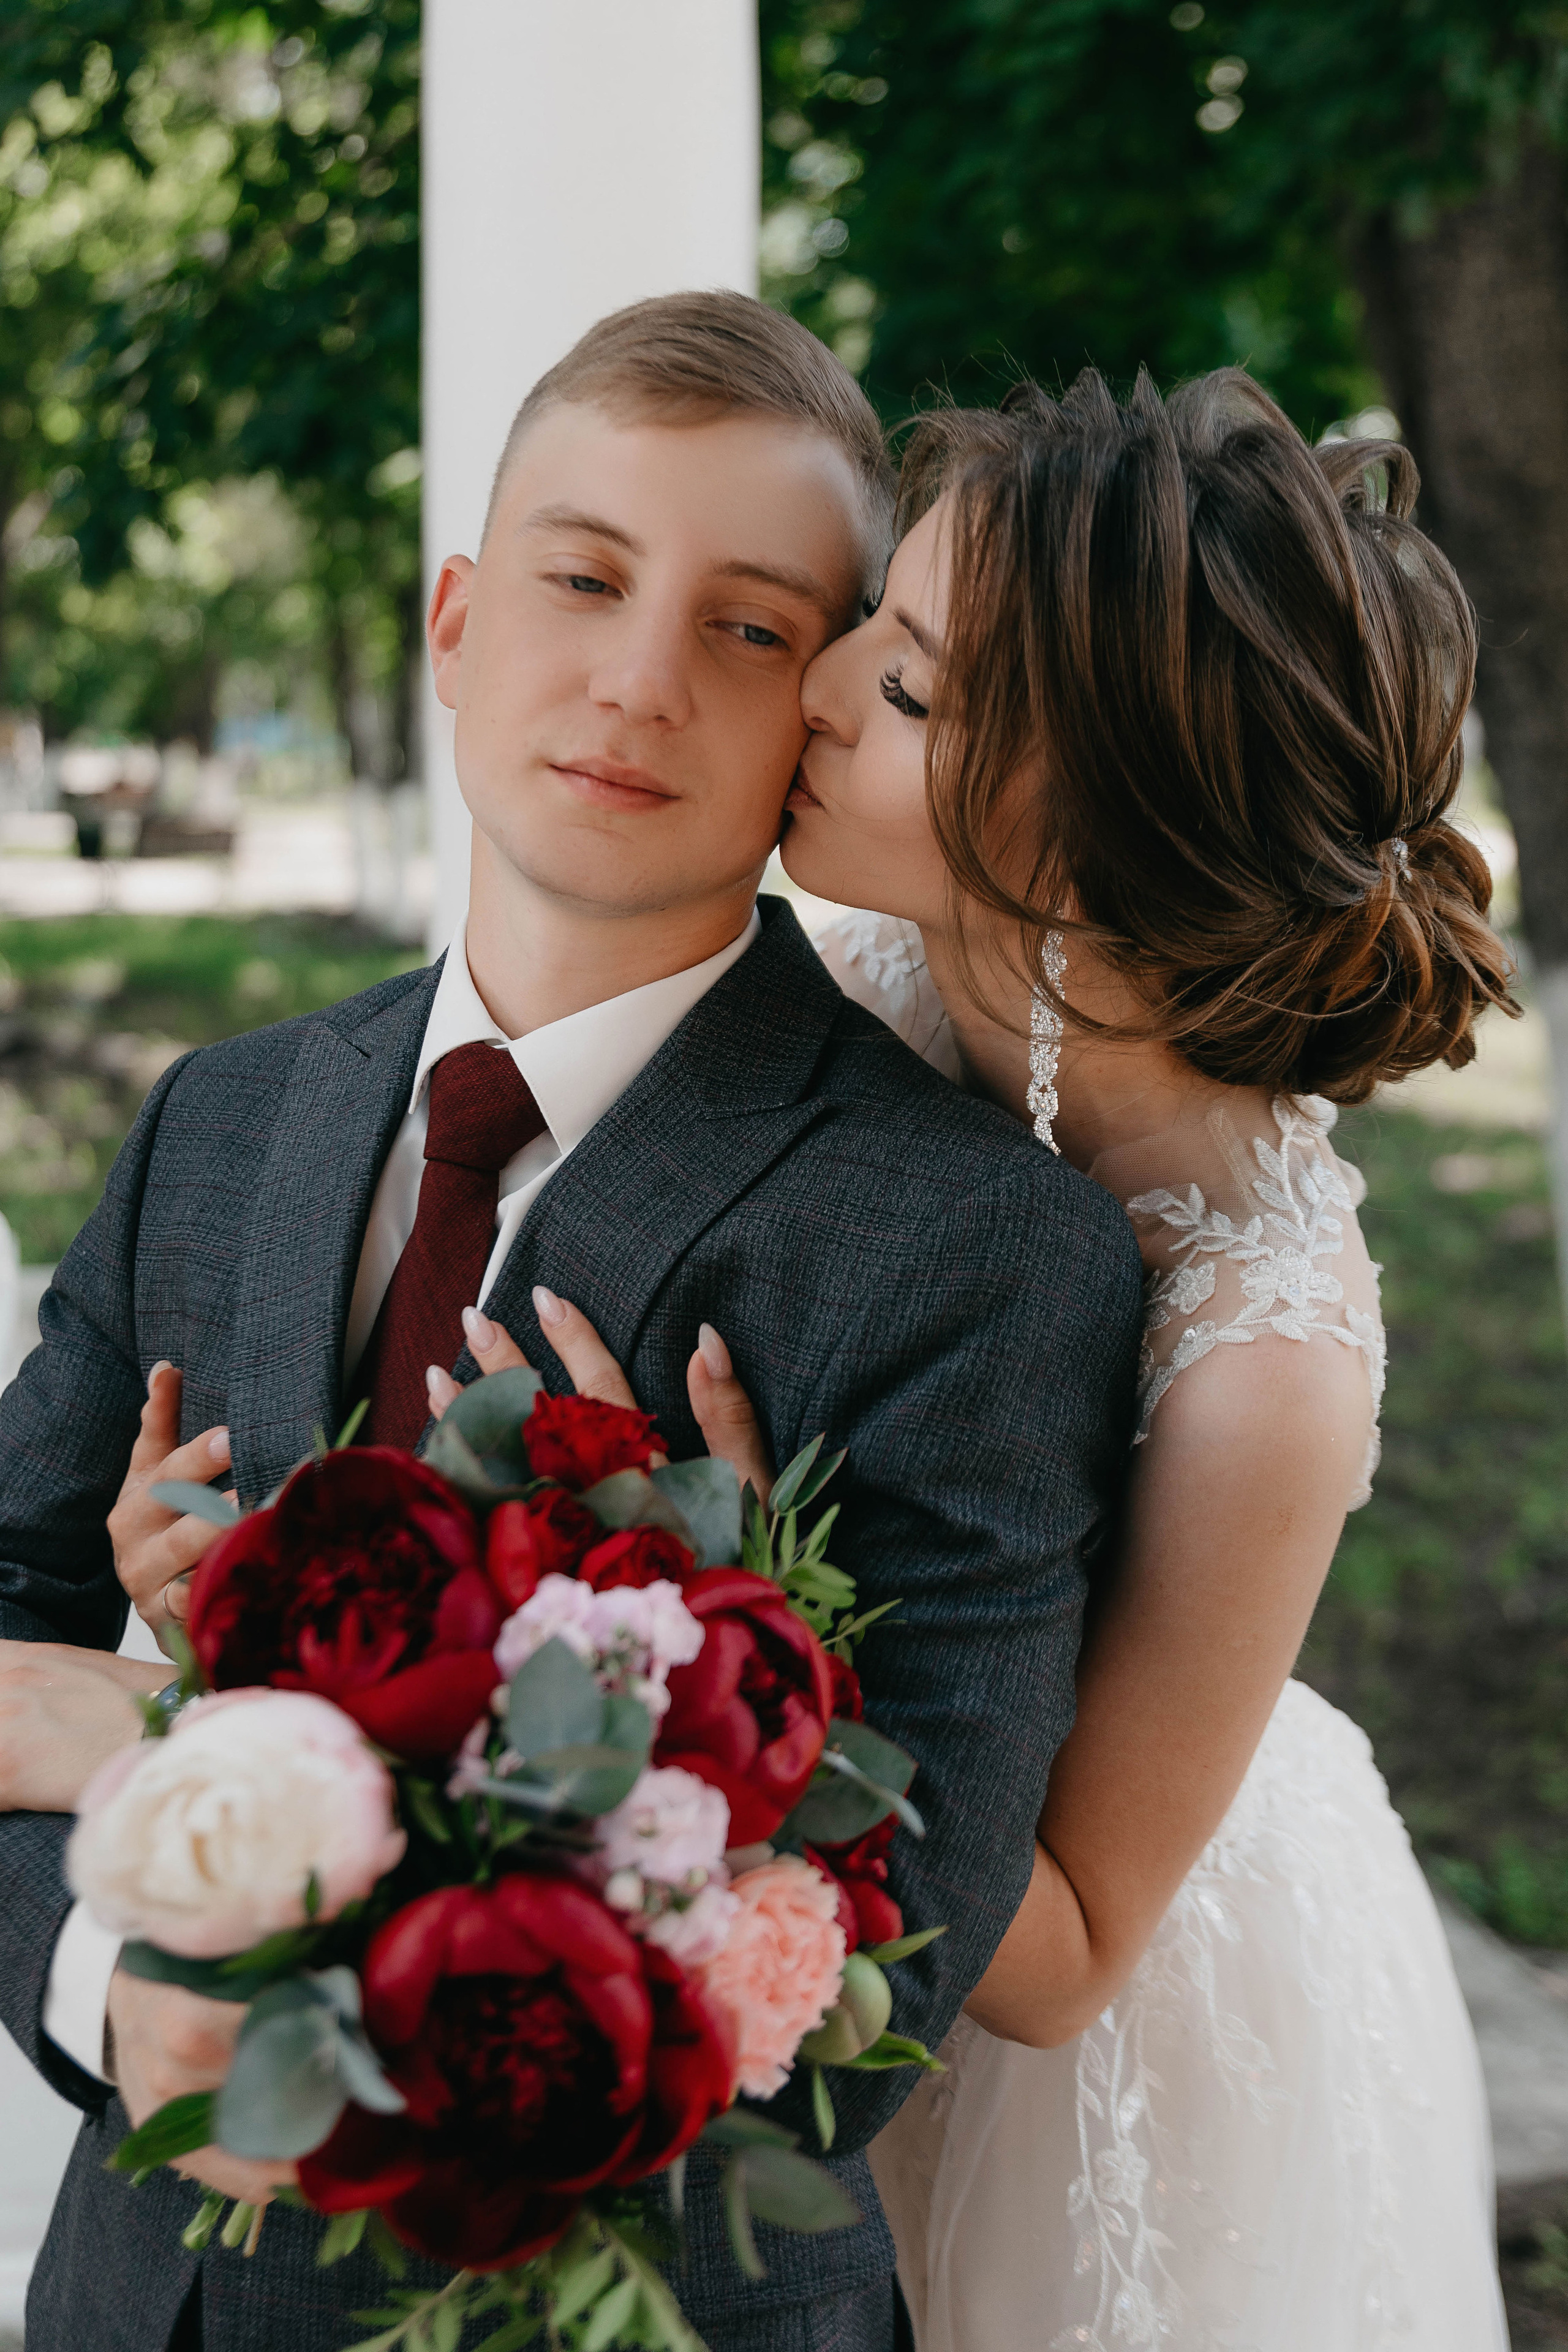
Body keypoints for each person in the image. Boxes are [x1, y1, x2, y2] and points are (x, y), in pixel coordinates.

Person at [0, 295, 1142, 2352]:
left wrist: (195, 1734)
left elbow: (889, 1973)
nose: (635, 679)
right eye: (585, 577)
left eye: (747, 628)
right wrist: (117, 1990)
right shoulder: (217, 1123)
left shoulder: (986, 1249)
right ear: (452, 623)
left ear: (819, 713)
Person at [450, 365, 1517, 2349]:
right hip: (783, 1910)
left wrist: (726, 1601)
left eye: (918, 694)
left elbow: (1067, 1956)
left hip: (1072, 2037)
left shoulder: (1262, 1361)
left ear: (1106, 839)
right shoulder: (847, 985)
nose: (827, 689)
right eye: (877, 625)